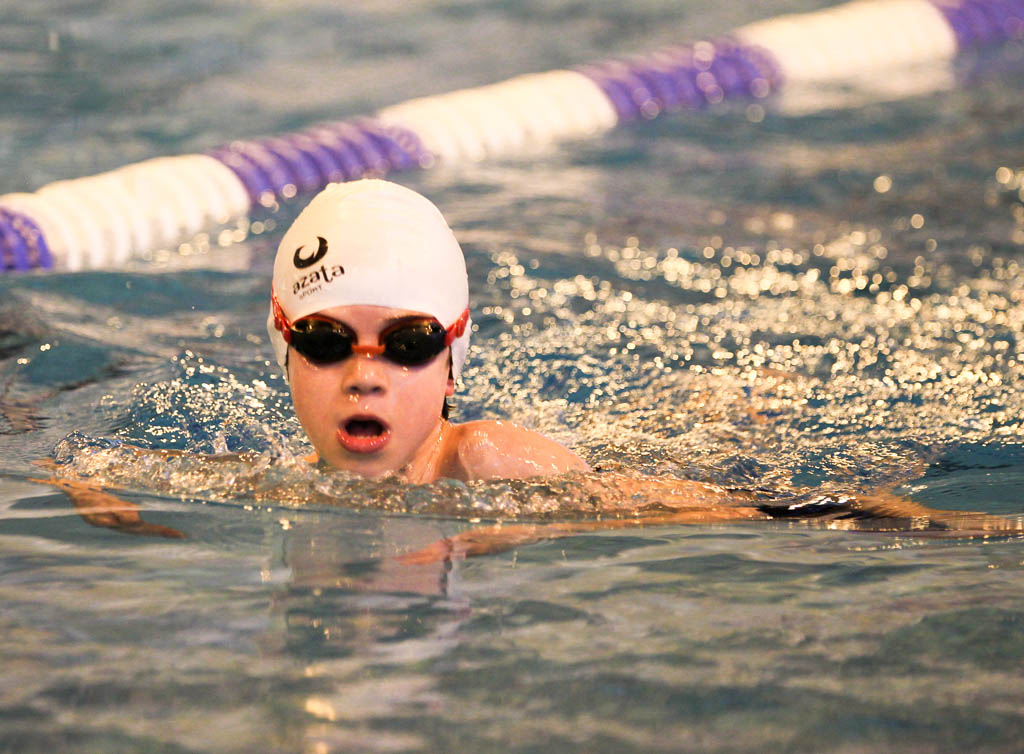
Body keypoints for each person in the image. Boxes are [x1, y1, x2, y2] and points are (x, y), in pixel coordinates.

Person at [33, 179, 1022, 553]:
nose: (365, 374)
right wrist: (88, 490)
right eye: (329, 341)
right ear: (283, 349)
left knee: (714, 423)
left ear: (451, 358)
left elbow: (716, 506)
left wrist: (909, 520)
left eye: (407, 343)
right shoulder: (269, 474)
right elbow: (84, 455)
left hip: (666, 465)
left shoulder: (494, 462)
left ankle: (743, 394)